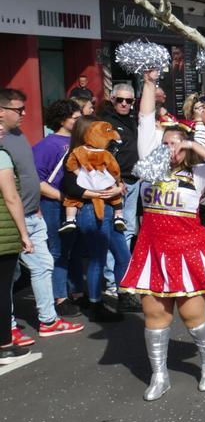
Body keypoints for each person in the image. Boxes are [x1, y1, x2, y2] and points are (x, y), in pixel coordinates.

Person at [120, 69, 205, 401]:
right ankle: (159, 374)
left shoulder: (198, 175)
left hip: (187, 251)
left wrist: (189, 142)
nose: (169, 148)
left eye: (175, 144)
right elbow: (144, 120)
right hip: (152, 250)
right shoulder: (149, 170)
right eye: (165, 143)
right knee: (154, 313)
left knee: (191, 313)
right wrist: (150, 82)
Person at [0, 89, 86, 343]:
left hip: (31, 213)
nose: (24, 113)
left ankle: (48, 320)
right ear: (2, 110)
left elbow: (29, 175)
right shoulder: (2, 137)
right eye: (18, 109)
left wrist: (34, 203)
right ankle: (8, 328)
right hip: (10, 218)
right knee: (10, 276)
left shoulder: (16, 133)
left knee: (43, 265)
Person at [59, 117, 130, 324]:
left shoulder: (104, 154)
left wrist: (117, 188)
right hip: (90, 210)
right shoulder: (76, 155)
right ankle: (96, 304)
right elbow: (72, 189)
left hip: (111, 208)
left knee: (123, 255)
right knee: (97, 258)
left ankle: (124, 296)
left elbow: (115, 175)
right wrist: (99, 194)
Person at [33, 100, 84, 317]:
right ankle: (60, 297)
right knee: (58, 250)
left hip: (73, 203)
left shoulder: (79, 142)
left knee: (74, 250)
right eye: (75, 117)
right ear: (63, 119)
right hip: (54, 204)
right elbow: (38, 180)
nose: (79, 121)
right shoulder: (48, 144)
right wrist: (63, 197)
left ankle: (75, 292)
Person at [99, 82, 142, 296]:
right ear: (112, 99)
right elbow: (102, 157)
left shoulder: (133, 121)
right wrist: (115, 181)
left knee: (129, 230)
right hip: (117, 184)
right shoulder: (105, 122)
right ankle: (111, 282)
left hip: (135, 181)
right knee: (116, 232)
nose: (124, 104)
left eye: (129, 100)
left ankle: (122, 277)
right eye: (120, 100)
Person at [0, 123, 34, 364]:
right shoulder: (1, 156)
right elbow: (11, 197)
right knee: (3, 290)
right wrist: (24, 232)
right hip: (4, 233)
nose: (2, 128)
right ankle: (4, 346)